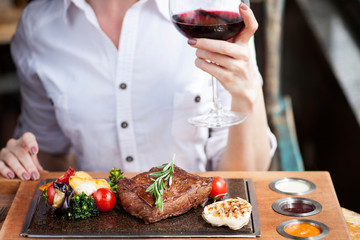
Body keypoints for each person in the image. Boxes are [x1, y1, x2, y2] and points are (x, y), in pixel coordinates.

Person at [0, 0, 276, 181]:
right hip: (99, 222)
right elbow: (49, 154)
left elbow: (245, 177)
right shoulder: (38, 26)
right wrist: (22, 161)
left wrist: (247, 93)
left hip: (198, 222)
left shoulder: (211, 7)